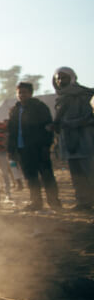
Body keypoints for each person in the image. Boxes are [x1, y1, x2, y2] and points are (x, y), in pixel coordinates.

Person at [7, 82, 62, 211]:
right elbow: (12, 132)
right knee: (30, 177)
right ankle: (36, 202)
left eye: (24, 92)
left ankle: (54, 202)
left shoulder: (39, 107)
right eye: (19, 93)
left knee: (47, 175)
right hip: (22, 149)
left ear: (30, 93)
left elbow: (48, 128)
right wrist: (11, 149)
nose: (22, 95)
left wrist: (46, 146)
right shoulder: (14, 110)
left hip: (39, 147)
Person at [52, 67, 94, 211]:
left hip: (86, 141)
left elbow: (90, 117)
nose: (60, 81)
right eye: (58, 78)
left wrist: (72, 123)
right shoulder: (60, 98)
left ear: (72, 78)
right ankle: (84, 203)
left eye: (64, 78)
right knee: (77, 176)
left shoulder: (85, 95)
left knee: (90, 173)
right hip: (69, 142)